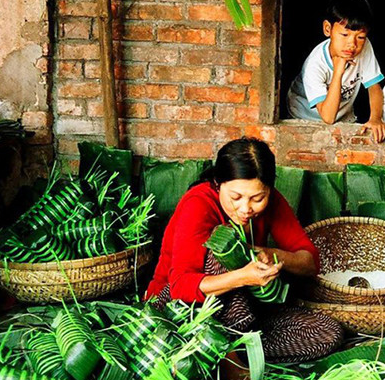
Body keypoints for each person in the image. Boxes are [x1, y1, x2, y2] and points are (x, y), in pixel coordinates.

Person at [145, 137, 343, 363]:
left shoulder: (273, 202)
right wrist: (243, 277)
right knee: (223, 248)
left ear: (269, 189)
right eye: (235, 197)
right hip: (179, 310)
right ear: (219, 184)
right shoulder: (198, 203)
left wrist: (268, 254)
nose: (246, 208)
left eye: (258, 198)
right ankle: (225, 356)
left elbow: (309, 262)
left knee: (328, 332)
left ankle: (230, 352)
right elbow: (181, 286)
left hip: (243, 312)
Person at [287, 0, 385, 143]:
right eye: (344, 34)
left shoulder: (365, 47)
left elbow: (374, 87)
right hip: (304, 117)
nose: (352, 44)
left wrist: (375, 118)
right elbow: (328, 117)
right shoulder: (315, 64)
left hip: (343, 116)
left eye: (360, 37)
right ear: (328, 29)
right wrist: (338, 72)